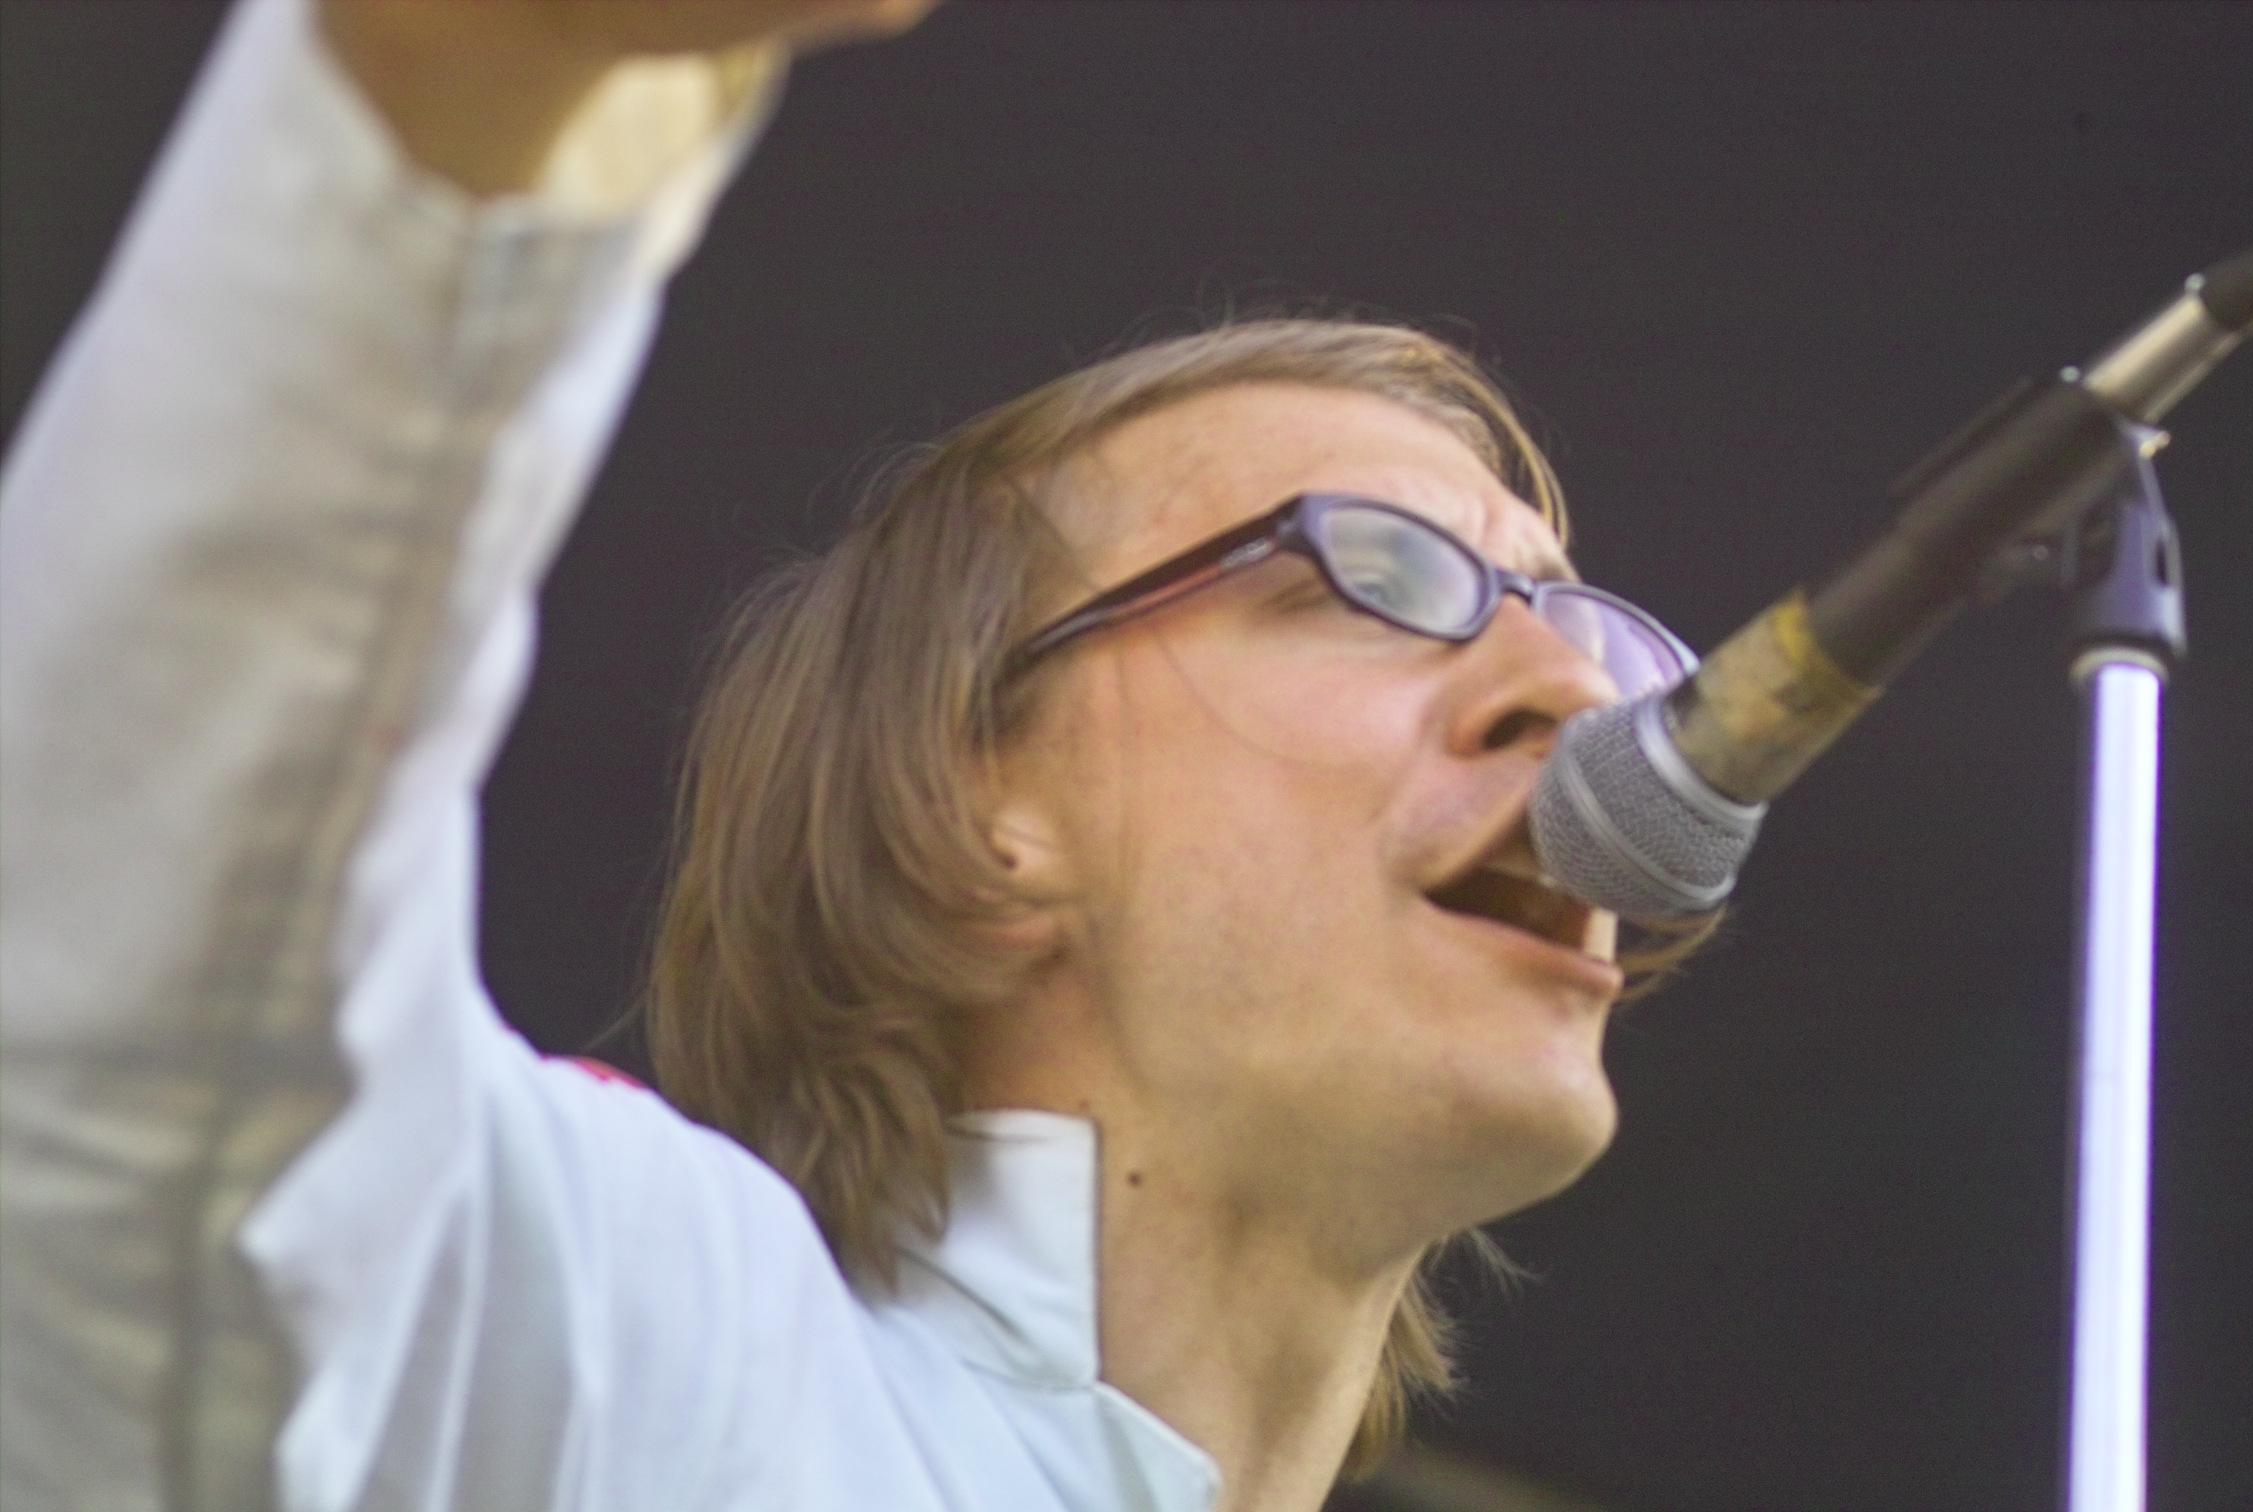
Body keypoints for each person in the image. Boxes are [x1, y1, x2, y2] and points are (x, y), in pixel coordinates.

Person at [0, 3, 1710, 1510]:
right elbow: (128, 1037)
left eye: (1583, 622)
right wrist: (462, 95)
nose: (1572, 692)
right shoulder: (652, 1332)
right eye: (1381, 573)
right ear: (976, 808)